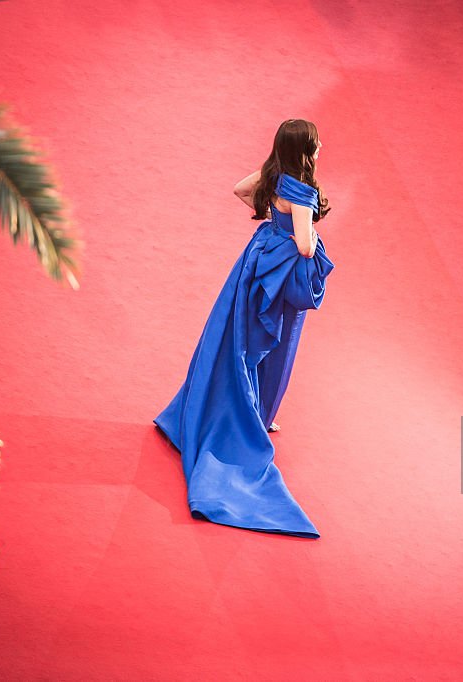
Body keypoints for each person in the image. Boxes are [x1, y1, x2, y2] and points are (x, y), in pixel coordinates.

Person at [155, 119, 334, 538]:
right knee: (281, 344)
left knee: (245, 337)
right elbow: (307, 246)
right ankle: (258, 417)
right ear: (307, 150)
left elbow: (240, 189)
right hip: (285, 272)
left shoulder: (274, 175)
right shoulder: (302, 191)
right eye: (317, 141)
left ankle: (244, 407)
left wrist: (274, 224)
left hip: (257, 261)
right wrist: (296, 235)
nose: (322, 144)